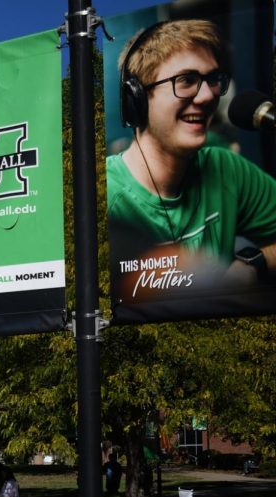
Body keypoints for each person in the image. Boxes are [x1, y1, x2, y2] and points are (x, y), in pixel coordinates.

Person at [108, 19, 276, 310]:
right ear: (137, 98)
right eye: (186, 80)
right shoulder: (104, 196)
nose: (208, 95)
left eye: (213, 79)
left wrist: (253, 265)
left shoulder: (226, 168)